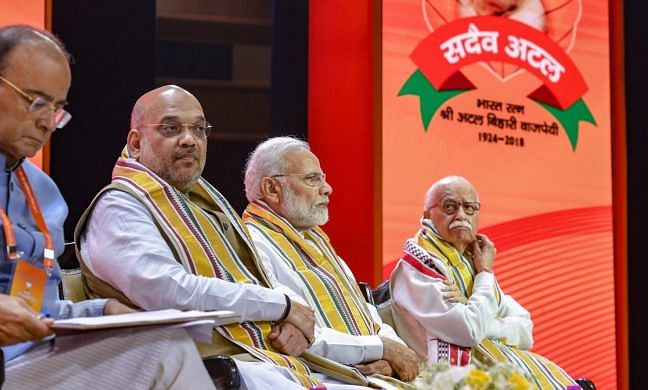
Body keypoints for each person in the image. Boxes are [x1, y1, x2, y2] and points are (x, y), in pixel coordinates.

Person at [0, 25, 214, 389]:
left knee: (165, 340)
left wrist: (104, 311)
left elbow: (42, 309)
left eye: (57, 108)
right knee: (166, 354)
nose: (47, 122)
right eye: (36, 102)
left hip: (37, 358)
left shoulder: (43, 192)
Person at [77, 85, 377, 389]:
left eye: (198, 129)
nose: (189, 140)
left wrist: (292, 321)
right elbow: (169, 293)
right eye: (170, 128)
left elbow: (248, 280)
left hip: (254, 358)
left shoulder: (198, 205)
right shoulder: (120, 206)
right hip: (194, 368)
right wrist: (280, 306)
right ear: (136, 142)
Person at [241, 137, 419, 383]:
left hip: (366, 374)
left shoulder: (316, 241)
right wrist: (380, 348)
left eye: (322, 178)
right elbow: (299, 334)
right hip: (318, 376)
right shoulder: (251, 244)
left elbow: (367, 313)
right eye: (312, 179)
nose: (327, 188)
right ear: (272, 189)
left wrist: (392, 354)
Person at [389, 176, 576, 389]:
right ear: (427, 215)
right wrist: (485, 274)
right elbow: (468, 332)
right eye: (449, 206)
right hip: (440, 380)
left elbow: (525, 329)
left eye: (469, 208)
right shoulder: (419, 265)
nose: (461, 215)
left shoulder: (470, 263)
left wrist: (474, 311)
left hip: (484, 373)